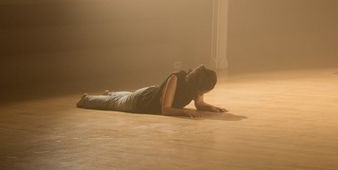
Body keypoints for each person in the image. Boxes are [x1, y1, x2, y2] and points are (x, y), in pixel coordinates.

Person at [76, 64, 227, 117]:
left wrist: (212, 108)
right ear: (198, 84)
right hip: (142, 102)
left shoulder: (195, 86)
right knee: (116, 103)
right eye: (203, 90)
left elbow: (199, 104)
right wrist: (183, 112)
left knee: (126, 96)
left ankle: (109, 93)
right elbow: (165, 109)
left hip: (150, 92)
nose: (203, 93)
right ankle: (86, 99)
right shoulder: (177, 78)